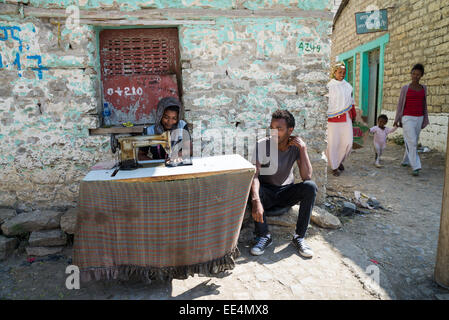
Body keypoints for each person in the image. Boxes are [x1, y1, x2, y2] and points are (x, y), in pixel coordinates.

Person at [250, 109, 317, 258]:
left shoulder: (295, 147)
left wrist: (303, 149)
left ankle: (299, 237)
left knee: (310, 187)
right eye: (272, 128)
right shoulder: (262, 145)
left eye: (279, 129)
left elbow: (307, 176)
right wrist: (256, 200)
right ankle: (264, 236)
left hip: (286, 192)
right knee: (251, 188)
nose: (274, 132)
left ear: (290, 130)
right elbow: (254, 175)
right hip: (266, 193)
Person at [393, 63, 429, 176]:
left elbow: (424, 104)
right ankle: (416, 166)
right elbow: (400, 105)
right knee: (412, 141)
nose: (415, 76)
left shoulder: (424, 88)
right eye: (413, 73)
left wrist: (424, 118)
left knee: (412, 140)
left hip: (419, 117)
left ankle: (406, 160)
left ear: (421, 75)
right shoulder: (405, 88)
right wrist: (397, 118)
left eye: (418, 74)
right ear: (411, 74)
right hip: (407, 117)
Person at [326, 62, 357, 177]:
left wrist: (353, 116)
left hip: (346, 118)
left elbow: (351, 102)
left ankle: (339, 161)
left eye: (344, 72)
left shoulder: (348, 86)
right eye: (340, 72)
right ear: (334, 73)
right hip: (332, 120)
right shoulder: (329, 86)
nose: (342, 74)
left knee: (348, 143)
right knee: (333, 143)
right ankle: (334, 166)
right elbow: (326, 103)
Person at [139, 97, 192, 161]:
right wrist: (156, 163)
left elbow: (189, 150)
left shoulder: (182, 126)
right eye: (166, 117)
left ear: (178, 118)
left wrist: (177, 155)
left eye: (174, 118)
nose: (170, 122)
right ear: (160, 115)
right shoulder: (150, 131)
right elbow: (140, 155)